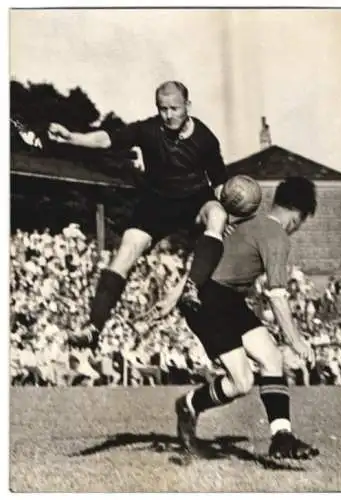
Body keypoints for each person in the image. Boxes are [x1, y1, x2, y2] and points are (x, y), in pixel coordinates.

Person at [46, 81, 228, 350]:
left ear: (188, 106)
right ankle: (94, 327)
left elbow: (220, 183)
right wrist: (73, 137)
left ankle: (191, 288)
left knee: (218, 215)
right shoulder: (149, 130)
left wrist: (230, 212)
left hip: (193, 203)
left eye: (174, 109)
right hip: (156, 205)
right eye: (162, 109)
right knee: (126, 251)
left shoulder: (205, 139)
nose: (168, 115)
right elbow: (109, 138)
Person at [174, 176, 320, 460]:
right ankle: (189, 403)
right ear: (297, 217)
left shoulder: (246, 222)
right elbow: (276, 296)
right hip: (210, 302)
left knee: (272, 359)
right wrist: (296, 341)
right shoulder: (277, 237)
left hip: (226, 299)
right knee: (242, 382)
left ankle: (282, 437)